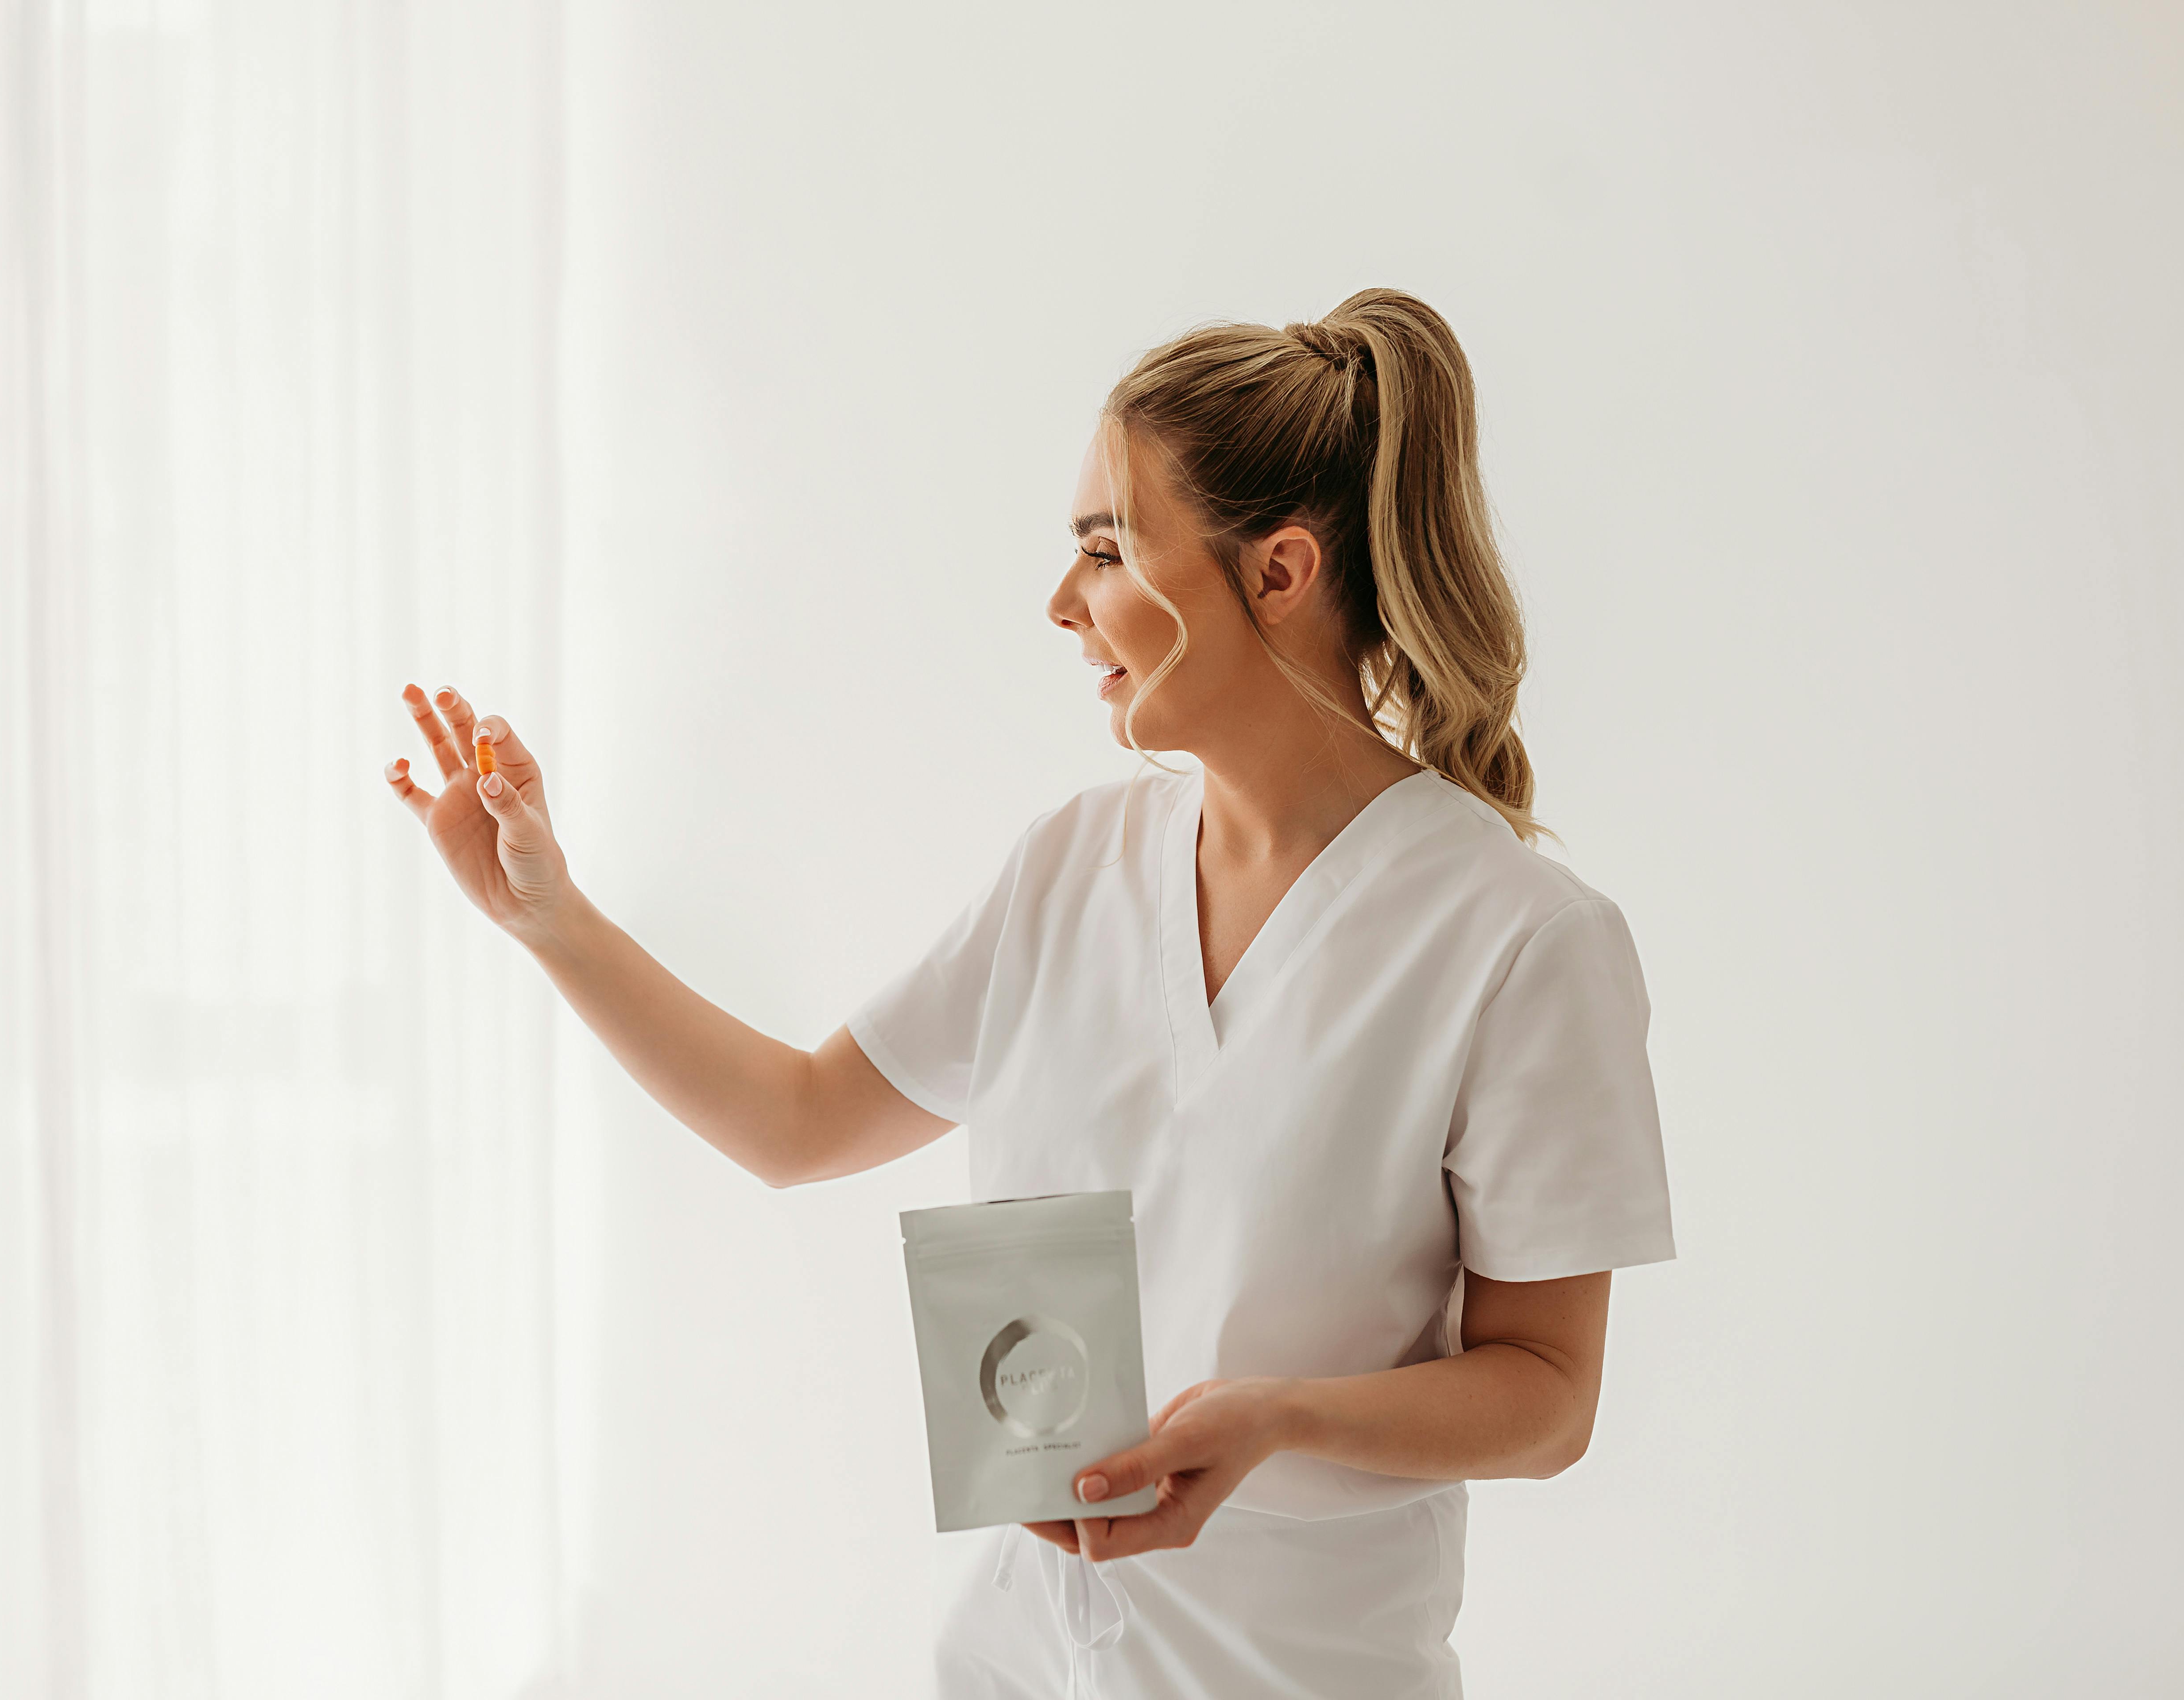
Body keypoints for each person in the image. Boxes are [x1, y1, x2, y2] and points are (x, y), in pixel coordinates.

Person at [384, 287, 1676, 1699]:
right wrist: (549, 920)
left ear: (1280, 573)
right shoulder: (1077, 864)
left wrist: (1274, 1419)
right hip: (1013, 1666)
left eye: (1108, 549)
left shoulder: (1518, 940)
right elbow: (798, 1122)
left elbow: (1548, 1394)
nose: (1064, 603)